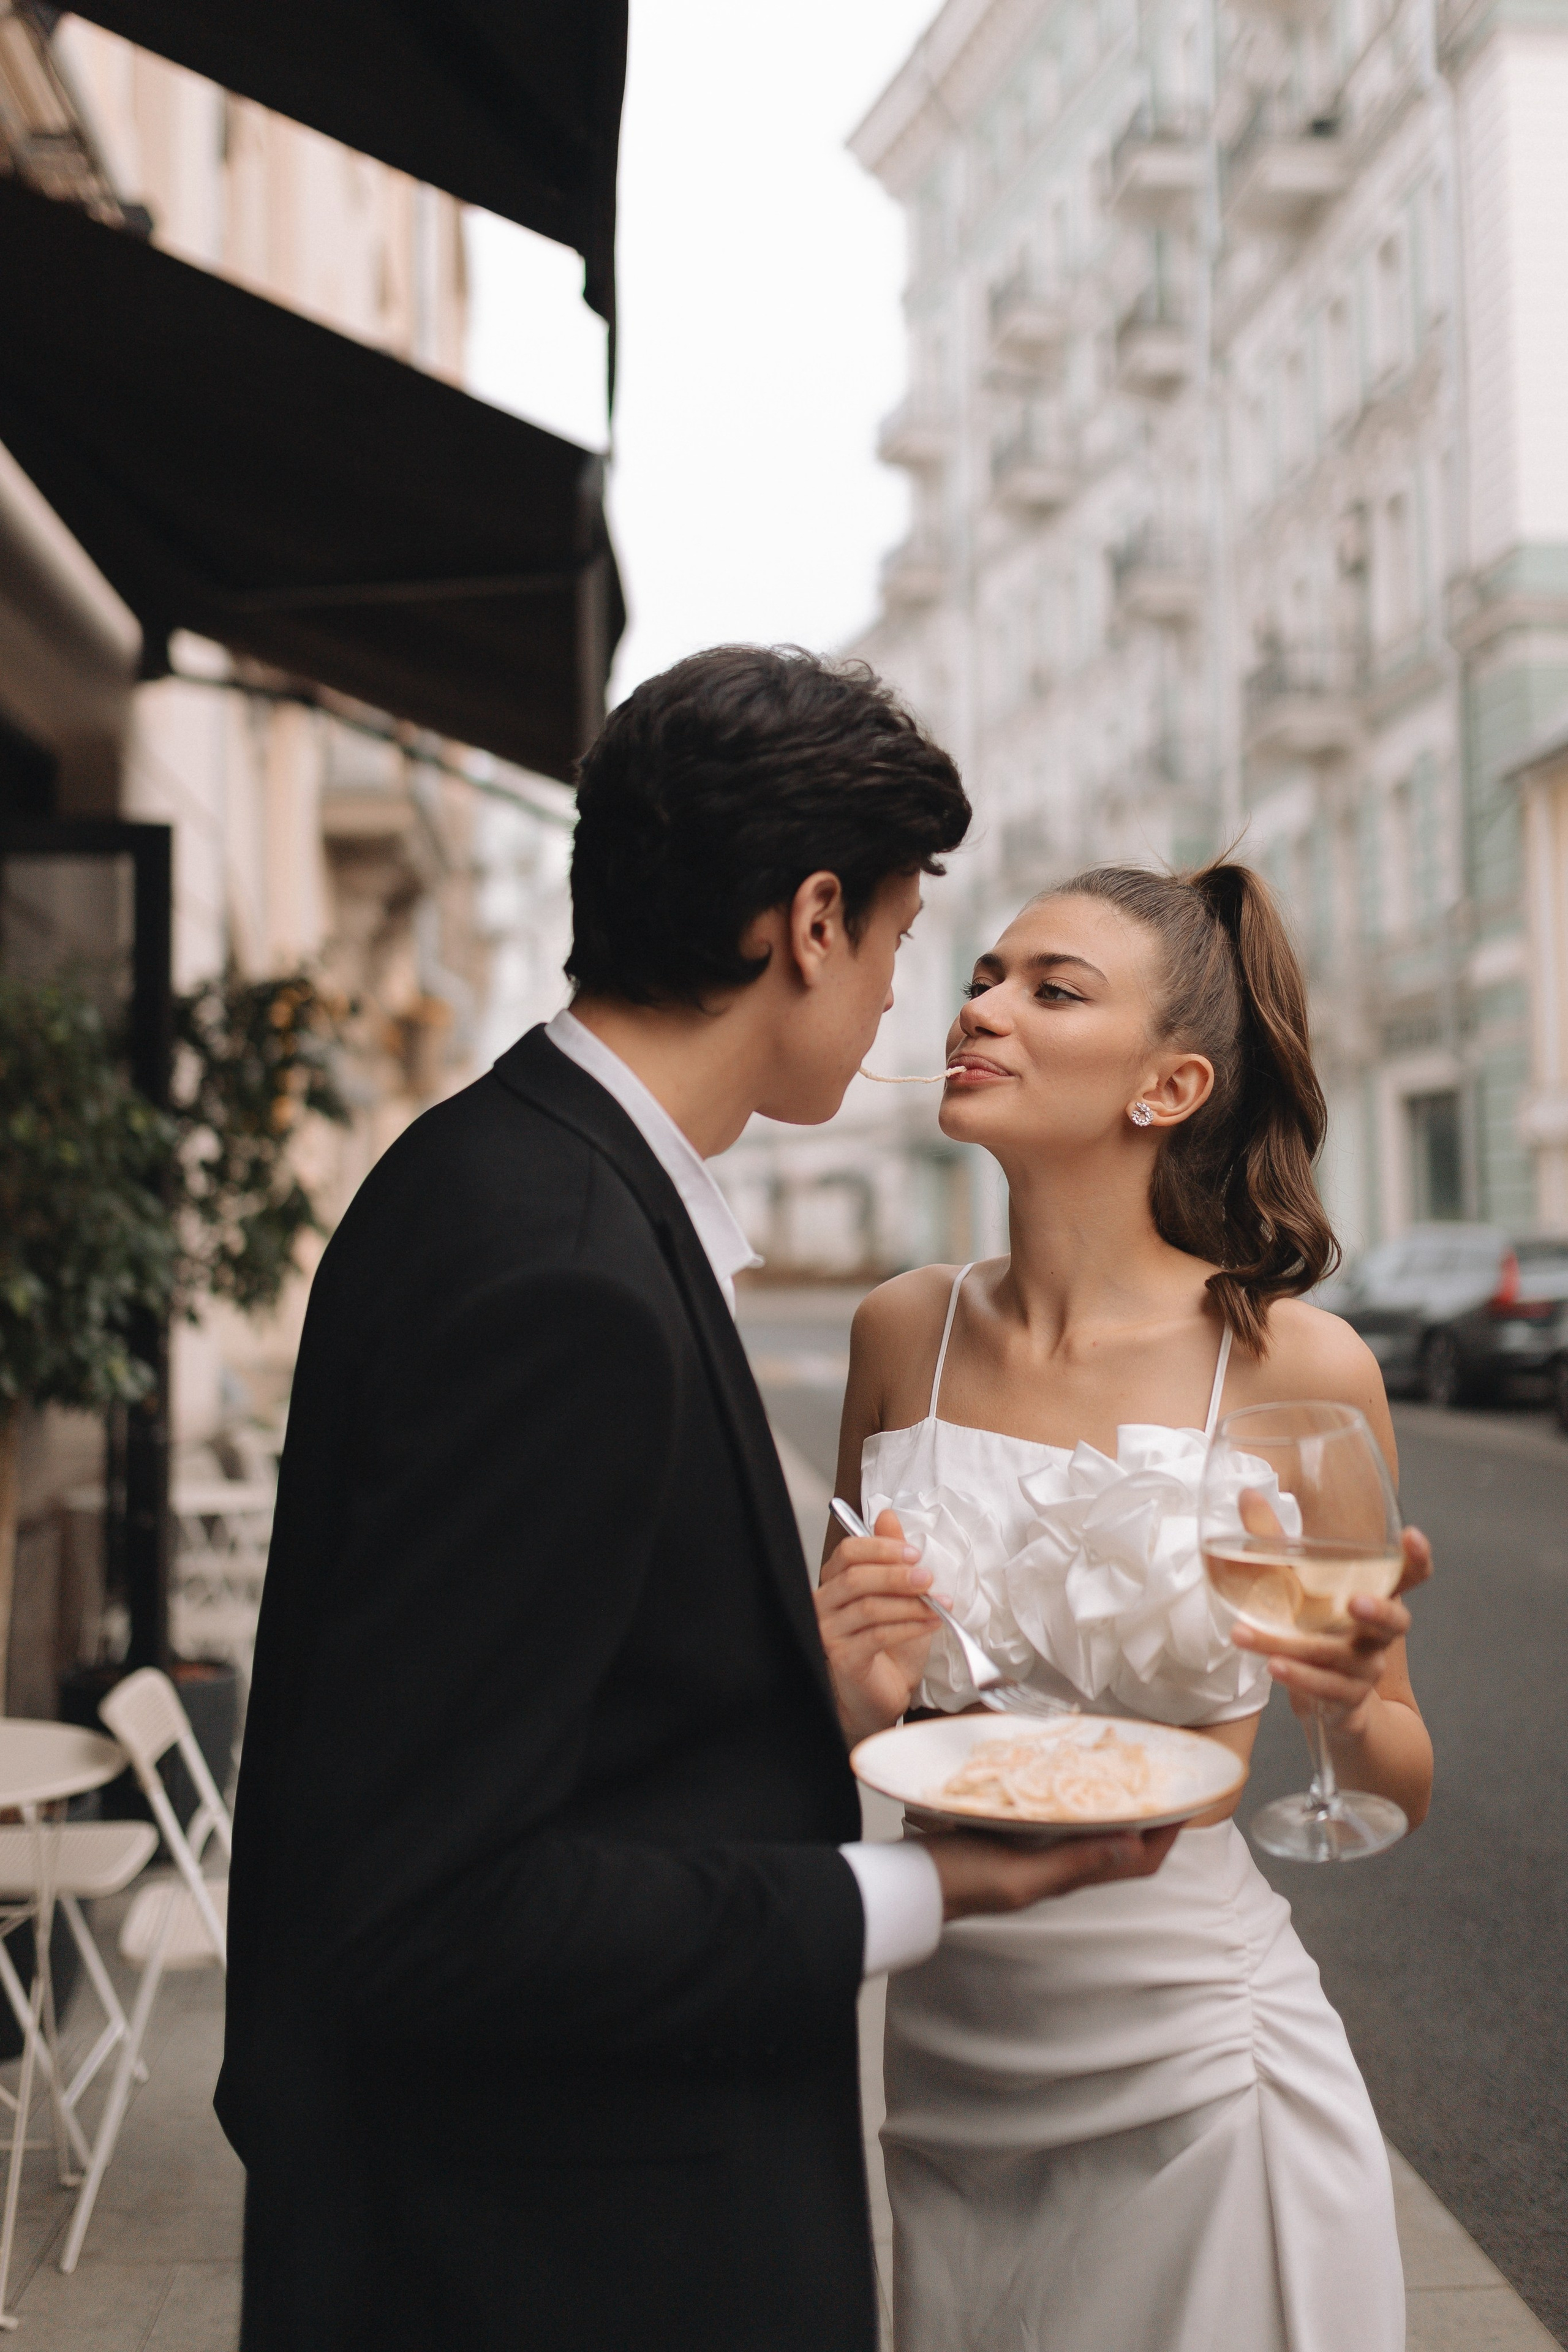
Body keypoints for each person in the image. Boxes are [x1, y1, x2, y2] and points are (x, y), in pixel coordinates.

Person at [216, 648, 1180, 2352]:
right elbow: (434, 1913)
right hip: (550, 2262)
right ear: (810, 923)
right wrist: (939, 1889)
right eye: (894, 940)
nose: (903, 999)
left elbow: (508, 1724)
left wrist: (773, 1692)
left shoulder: (505, 1173)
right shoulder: (564, 1276)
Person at [817, 859, 1435, 2352]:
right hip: (950, 2043)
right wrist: (838, 1684)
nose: (980, 1007)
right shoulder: (904, 1326)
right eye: (982, 975)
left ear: (1168, 1086)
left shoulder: (1297, 1364)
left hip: (1196, 2057)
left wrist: (1347, 1703)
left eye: (1050, 989)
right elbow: (845, 1709)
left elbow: (1393, 1783)